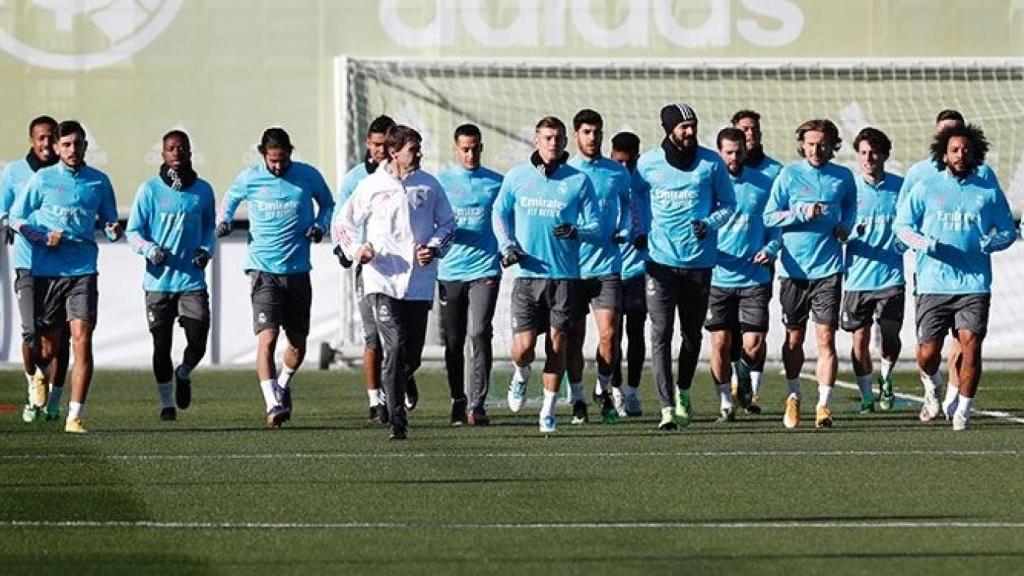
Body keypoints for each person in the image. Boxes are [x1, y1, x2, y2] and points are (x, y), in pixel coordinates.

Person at [334, 125, 456, 440]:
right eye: (413, 149)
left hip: (418, 281)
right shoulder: (371, 185)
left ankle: (399, 380)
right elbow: (343, 223)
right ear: (394, 152)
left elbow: (448, 223)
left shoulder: (429, 185)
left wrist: (434, 247)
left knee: (411, 355)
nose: (419, 154)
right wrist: (356, 249)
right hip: (381, 279)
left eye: (419, 148)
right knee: (396, 345)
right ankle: (397, 421)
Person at [895, 123, 1015, 430]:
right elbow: (903, 227)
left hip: (974, 283)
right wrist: (926, 244)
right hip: (933, 283)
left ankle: (963, 408)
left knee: (971, 344)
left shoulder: (987, 191)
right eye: (954, 150)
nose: (960, 155)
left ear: (975, 153)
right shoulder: (925, 187)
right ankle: (931, 383)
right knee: (928, 352)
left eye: (965, 150)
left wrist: (994, 242)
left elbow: (1007, 230)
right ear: (943, 154)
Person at [10, 120, 122, 434]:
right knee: (46, 350)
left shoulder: (98, 182)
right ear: (57, 147)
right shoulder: (43, 179)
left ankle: (75, 415)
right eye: (67, 144)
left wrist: (114, 231)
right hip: (47, 272)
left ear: (86, 146)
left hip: (83, 271)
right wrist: (41, 236)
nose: (73, 150)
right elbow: (17, 218)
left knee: (82, 341)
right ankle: (37, 379)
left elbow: (110, 223)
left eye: (79, 144)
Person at [217, 127, 334, 428]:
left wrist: (320, 226)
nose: (278, 166)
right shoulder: (250, 178)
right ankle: (272, 403)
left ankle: (282, 384)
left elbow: (329, 205)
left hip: (296, 271)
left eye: (282, 160)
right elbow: (229, 199)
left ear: (290, 154)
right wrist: (225, 220)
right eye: (272, 160)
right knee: (267, 338)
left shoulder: (308, 176)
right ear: (263, 155)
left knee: (297, 346)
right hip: (262, 269)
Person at [494, 116, 600, 434]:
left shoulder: (579, 181)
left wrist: (578, 231)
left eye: (558, 138)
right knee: (524, 348)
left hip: (565, 276)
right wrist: (507, 245)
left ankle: (548, 410)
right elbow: (499, 212)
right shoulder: (517, 177)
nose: (553, 143)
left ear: (565, 142)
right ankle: (521, 373)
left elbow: (598, 226)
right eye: (547, 137)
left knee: (558, 342)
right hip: (527, 275)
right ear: (536, 140)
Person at [636, 103, 735, 431]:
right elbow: (634, 197)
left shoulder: (711, 163)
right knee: (660, 333)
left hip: (699, 263)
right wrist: (639, 229)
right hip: (660, 263)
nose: (690, 132)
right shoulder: (647, 163)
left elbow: (728, 204)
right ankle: (666, 407)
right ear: (669, 129)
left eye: (693, 126)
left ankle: (684, 391)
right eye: (684, 127)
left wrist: (709, 223)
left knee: (691, 335)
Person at [764, 119, 857, 429]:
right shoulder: (788, 175)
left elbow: (851, 208)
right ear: (802, 145)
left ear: (833, 146)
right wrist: (802, 212)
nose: (817, 149)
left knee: (826, 337)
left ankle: (824, 405)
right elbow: (770, 215)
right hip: (794, 270)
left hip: (829, 269)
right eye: (811, 143)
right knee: (794, 338)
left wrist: (846, 227)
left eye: (823, 143)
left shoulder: (843, 177)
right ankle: (793, 396)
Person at [126, 130, 216, 421]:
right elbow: (133, 231)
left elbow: (209, 228)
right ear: (163, 154)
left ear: (189, 152)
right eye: (170, 148)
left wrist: (205, 250)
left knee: (199, 337)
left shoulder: (202, 190)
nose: (176, 153)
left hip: (191, 281)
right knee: (161, 345)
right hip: (158, 282)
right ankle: (167, 403)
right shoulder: (149, 190)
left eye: (181, 148)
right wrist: (150, 250)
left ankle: (185, 371)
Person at [0, 115, 70, 423]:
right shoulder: (14, 172)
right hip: (27, 262)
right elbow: (4, 210)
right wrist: (9, 225)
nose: (45, 144)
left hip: (61, 265)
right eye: (40, 138)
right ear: (32, 140)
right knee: (30, 332)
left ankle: (55, 397)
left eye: (50, 138)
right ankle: (33, 381)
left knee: (57, 339)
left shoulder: (66, 173)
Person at [704, 127, 778, 421]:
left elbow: (775, 225)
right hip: (718, 278)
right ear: (720, 153)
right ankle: (725, 401)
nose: (734, 157)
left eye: (738, 152)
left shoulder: (763, 185)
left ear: (746, 152)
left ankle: (744, 375)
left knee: (753, 344)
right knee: (720, 342)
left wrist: (771, 249)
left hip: (754, 277)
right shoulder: (709, 187)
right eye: (728, 152)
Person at [565, 109, 633, 425]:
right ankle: (578, 398)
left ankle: (603, 388)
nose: (593, 138)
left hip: (608, 265)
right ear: (576, 135)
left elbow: (630, 209)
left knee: (609, 334)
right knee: (574, 338)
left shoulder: (617, 173)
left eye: (597, 132)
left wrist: (626, 229)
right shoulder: (566, 173)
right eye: (587, 132)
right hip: (574, 268)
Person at [436, 123, 502, 426]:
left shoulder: (496, 183)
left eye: (475, 148)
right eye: (465, 148)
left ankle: (477, 404)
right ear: (456, 149)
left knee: (478, 333)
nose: (471, 153)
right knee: (453, 341)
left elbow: (509, 218)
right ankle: (457, 399)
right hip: (450, 270)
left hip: (485, 269)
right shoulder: (442, 182)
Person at [334, 115, 396, 424]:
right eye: (375, 145)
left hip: (402, 269)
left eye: (386, 145)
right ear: (367, 145)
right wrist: (346, 250)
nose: (380, 151)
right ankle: (375, 400)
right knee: (372, 336)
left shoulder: (410, 178)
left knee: (401, 338)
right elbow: (341, 220)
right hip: (368, 267)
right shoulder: (355, 178)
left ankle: (402, 377)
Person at [841, 127, 905, 413]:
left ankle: (887, 378)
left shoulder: (901, 188)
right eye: (863, 153)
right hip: (856, 277)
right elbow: (838, 231)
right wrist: (852, 232)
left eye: (874, 153)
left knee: (890, 335)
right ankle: (867, 395)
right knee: (860, 339)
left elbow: (911, 224)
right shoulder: (848, 188)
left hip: (891, 276)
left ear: (885, 155)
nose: (868, 158)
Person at [728, 109, 783, 400]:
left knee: (755, 332)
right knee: (731, 331)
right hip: (726, 265)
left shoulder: (774, 171)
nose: (750, 133)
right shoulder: (722, 171)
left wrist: (772, 248)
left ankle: (753, 387)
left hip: (760, 260)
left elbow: (781, 215)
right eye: (744, 129)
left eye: (754, 129)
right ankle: (740, 377)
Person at [609, 131, 649, 418]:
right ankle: (613, 390)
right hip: (608, 270)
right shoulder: (607, 182)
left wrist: (648, 237)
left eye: (629, 162)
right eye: (618, 161)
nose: (623, 168)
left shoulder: (645, 185)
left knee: (635, 332)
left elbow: (657, 216)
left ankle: (632, 392)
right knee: (611, 335)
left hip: (638, 270)